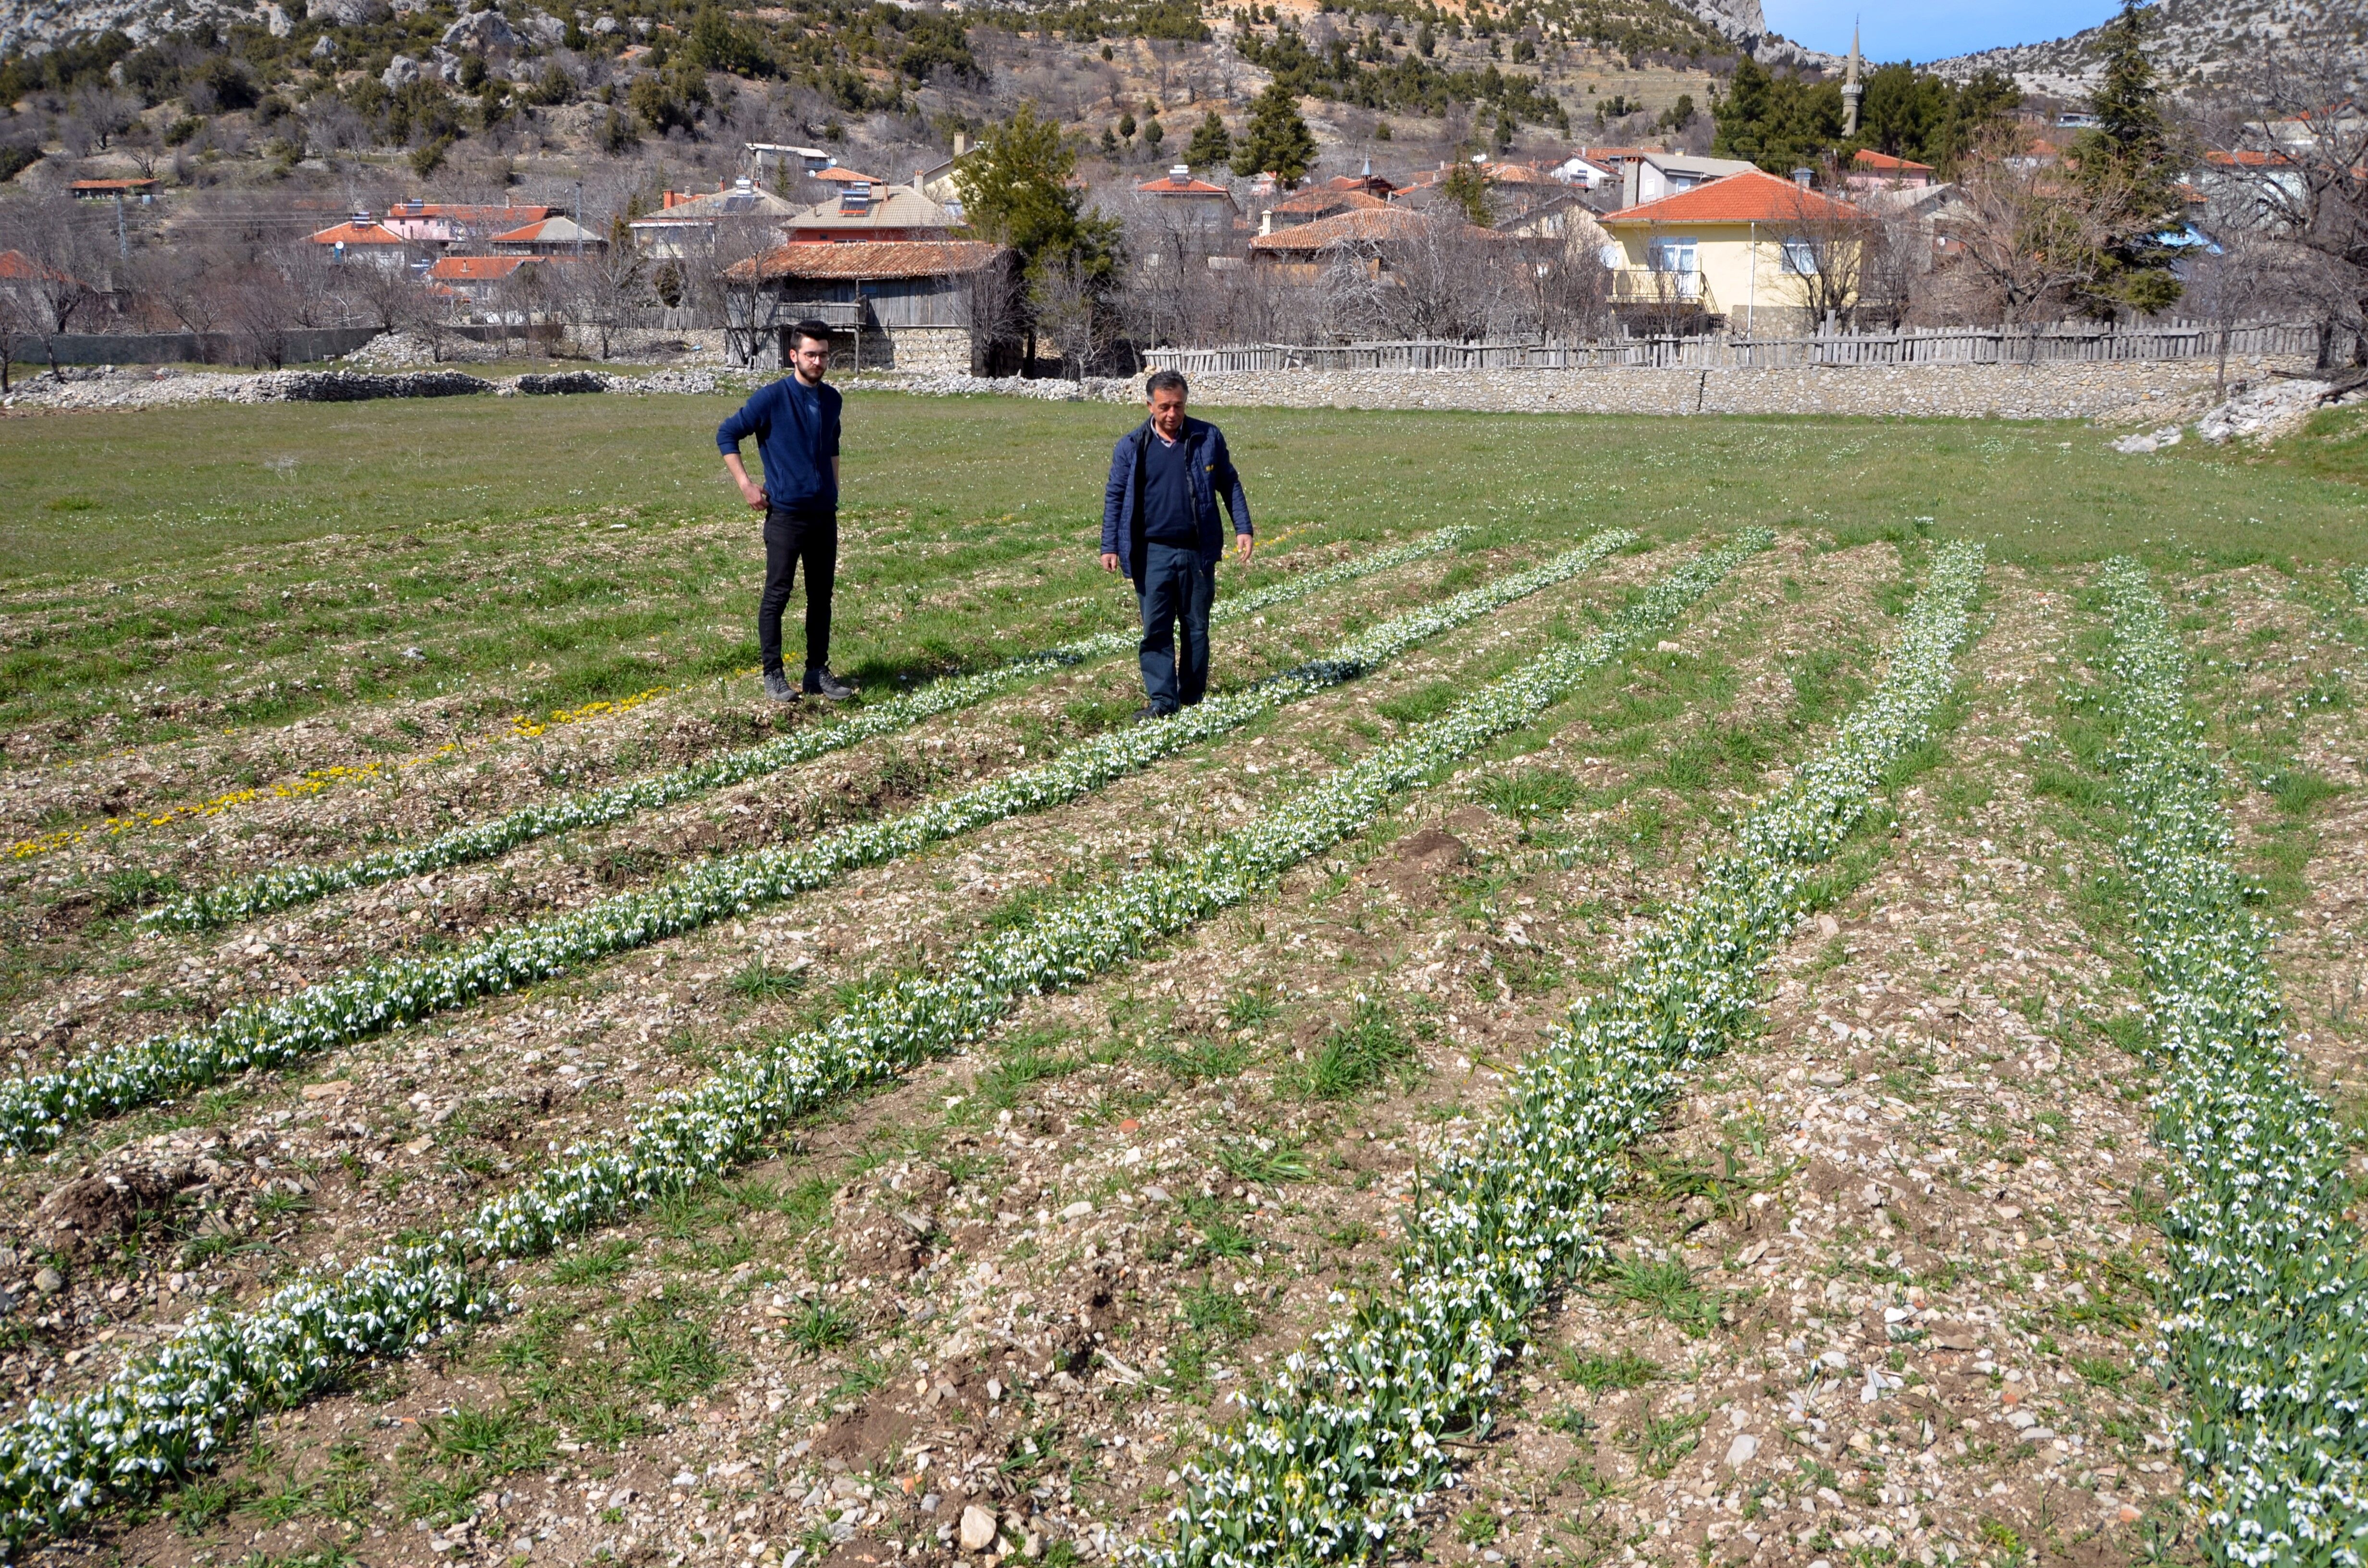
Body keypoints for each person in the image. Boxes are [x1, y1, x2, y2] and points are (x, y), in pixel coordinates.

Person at [1100, 369, 1253, 720]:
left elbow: (1229, 483)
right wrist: (1109, 545)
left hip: (1197, 552)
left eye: (1179, 406)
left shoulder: (1207, 437)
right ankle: (1163, 701)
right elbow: (1116, 497)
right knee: (1155, 628)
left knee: (1196, 626)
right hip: (1151, 552)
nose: (1173, 414)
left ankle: (1193, 697)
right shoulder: (1131, 446)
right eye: (1165, 407)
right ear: (1150, 405)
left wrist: (1242, 526)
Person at [718, 319, 857, 703]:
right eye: (811, 354)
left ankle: (816, 672)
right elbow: (726, 434)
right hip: (786, 516)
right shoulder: (772, 398)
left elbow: (833, 446)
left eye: (824, 354)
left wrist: (833, 491)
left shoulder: (833, 400)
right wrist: (747, 485)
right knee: (778, 595)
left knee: (821, 596)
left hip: (822, 516)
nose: (818, 361)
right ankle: (773, 674)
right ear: (793, 355)